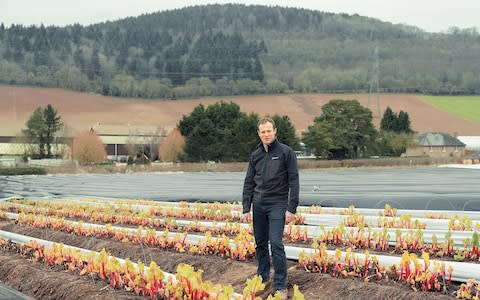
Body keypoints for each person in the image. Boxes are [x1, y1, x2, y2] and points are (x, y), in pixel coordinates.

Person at [241, 117, 299, 299]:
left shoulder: (286, 153)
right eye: (262, 131)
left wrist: (292, 208)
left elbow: (294, 181)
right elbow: (249, 182)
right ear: (259, 134)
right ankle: (263, 276)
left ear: (275, 131)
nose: (266, 134)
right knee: (260, 244)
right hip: (259, 205)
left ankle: (280, 284)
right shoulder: (255, 155)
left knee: (275, 243)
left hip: (277, 204)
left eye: (269, 131)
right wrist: (246, 207)